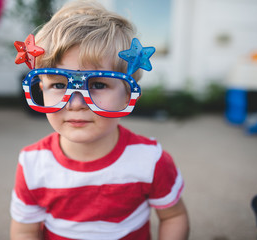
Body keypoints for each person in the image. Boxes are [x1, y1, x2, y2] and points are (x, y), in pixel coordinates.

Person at [10, 0, 189, 239]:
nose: (75, 103)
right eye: (58, 85)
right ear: (41, 89)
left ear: (128, 94)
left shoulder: (151, 160)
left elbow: (173, 216)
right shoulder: (33, 163)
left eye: (98, 84)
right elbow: (24, 230)